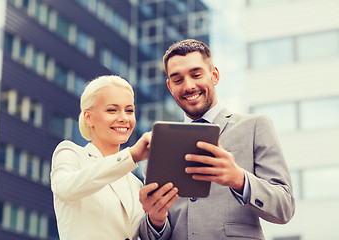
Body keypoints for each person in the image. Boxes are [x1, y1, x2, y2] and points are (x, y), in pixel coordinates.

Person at [138, 39, 295, 239]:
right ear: (170, 86)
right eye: (178, 80)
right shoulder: (159, 148)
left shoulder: (255, 126)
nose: (189, 86)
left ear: (214, 75)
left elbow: (285, 208)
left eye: (196, 75)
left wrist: (239, 179)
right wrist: (155, 219)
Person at [50, 75, 151, 240]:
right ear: (88, 117)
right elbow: (65, 189)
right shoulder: (71, 154)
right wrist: (131, 155)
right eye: (112, 110)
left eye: (129, 110)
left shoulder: (135, 183)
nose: (124, 118)